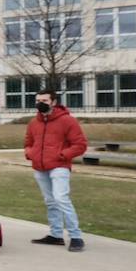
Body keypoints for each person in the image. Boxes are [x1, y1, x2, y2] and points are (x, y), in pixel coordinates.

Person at [24, 88, 88, 252]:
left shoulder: (68, 121)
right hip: (40, 167)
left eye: (44, 101)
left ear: (53, 102)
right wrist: (30, 153)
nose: (40, 104)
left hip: (59, 166)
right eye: (38, 101)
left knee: (61, 199)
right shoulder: (34, 122)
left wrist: (62, 155)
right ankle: (56, 235)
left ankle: (76, 237)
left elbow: (80, 145)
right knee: (50, 201)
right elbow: (28, 142)